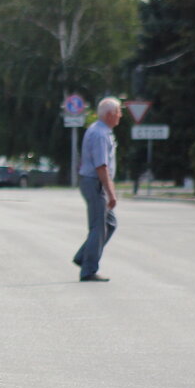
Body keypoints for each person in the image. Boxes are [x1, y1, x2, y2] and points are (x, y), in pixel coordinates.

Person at [73, 96, 121, 282]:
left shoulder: (101, 130)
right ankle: (88, 269)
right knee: (98, 226)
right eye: (118, 112)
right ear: (110, 114)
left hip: (92, 181)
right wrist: (111, 193)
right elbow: (101, 166)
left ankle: (83, 257)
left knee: (109, 223)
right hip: (95, 183)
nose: (120, 116)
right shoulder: (100, 134)